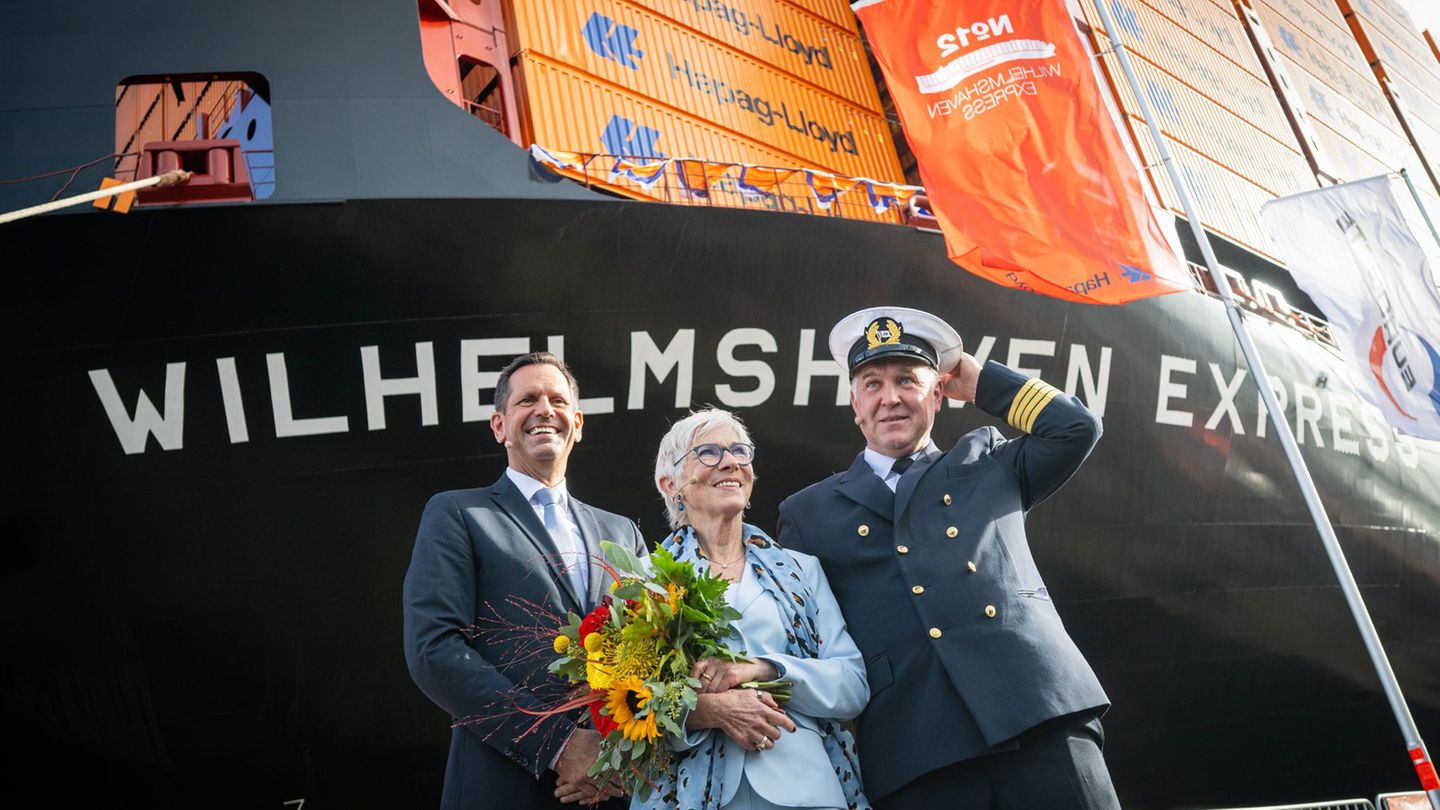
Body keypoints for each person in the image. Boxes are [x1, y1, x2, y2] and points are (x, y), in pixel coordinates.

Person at [777, 307, 1119, 810]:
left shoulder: (987, 461)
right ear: (854, 403)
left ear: (938, 393)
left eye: (907, 381)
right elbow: (802, 635)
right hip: (915, 747)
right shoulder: (807, 512)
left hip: (1039, 716)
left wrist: (980, 383)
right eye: (871, 384)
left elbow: (1076, 427)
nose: (889, 397)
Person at [402, 352, 647, 809]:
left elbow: (651, 653)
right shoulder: (457, 514)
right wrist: (557, 744)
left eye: (557, 400)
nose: (544, 410)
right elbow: (433, 649)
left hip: (612, 788)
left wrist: (614, 751)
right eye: (527, 400)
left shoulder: (622, 533)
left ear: (577, 423)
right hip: (503, 784)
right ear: (499, 426)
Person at [638, 409, 870, 810]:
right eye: (708, 452)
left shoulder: (802, 570)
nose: (731, 462)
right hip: (686, 794)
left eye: (740, 451)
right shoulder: (644, 580)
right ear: (670, 483)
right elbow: (622, 707)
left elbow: (851, 686)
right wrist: (706, 710)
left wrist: (764, 668)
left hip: (805, 790)